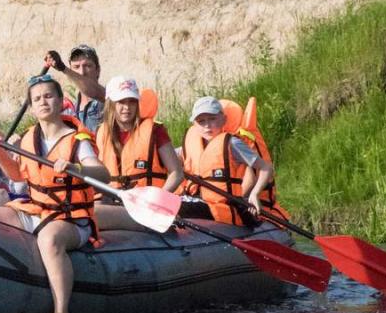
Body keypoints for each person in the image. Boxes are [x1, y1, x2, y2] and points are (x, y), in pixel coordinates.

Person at [0, 74, 110, 313]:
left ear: (59, 100)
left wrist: (76, 168)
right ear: (32, 108)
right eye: (37, 99)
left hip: (71, 219)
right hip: (37, 210)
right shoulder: (28, 138)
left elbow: (103, 174)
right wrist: (0, 153)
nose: (43, 102)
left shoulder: (77, 139)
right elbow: (17, 176)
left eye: (48, 96)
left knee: (48, 239)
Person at [94, 76, 183, 231]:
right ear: (110, 104)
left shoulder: (155, 131)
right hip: (115, 202)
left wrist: (158, 200)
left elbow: (177, 173)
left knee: (96, 213)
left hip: (145, 207)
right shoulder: (102, 132)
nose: (127, 107)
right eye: (121, 102)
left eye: (132, 101)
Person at [180, 96, 274, 226]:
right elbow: (169, 159)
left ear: (224, 119)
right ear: (194, 125)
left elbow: (266, 168)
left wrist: (254, 194)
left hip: (222, 207)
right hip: (199, 201)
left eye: (212, 119)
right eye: (201, 121)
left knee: (177, 207)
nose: (207, 125)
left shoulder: (232, 143)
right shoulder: (191, 144)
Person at [43, 44, 106, 133]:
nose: (82, 72)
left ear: (98, 70)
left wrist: (63, 68)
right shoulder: (69, 110)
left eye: (87, 66)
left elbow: (95, 91)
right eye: (76, 67)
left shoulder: (109, 99)